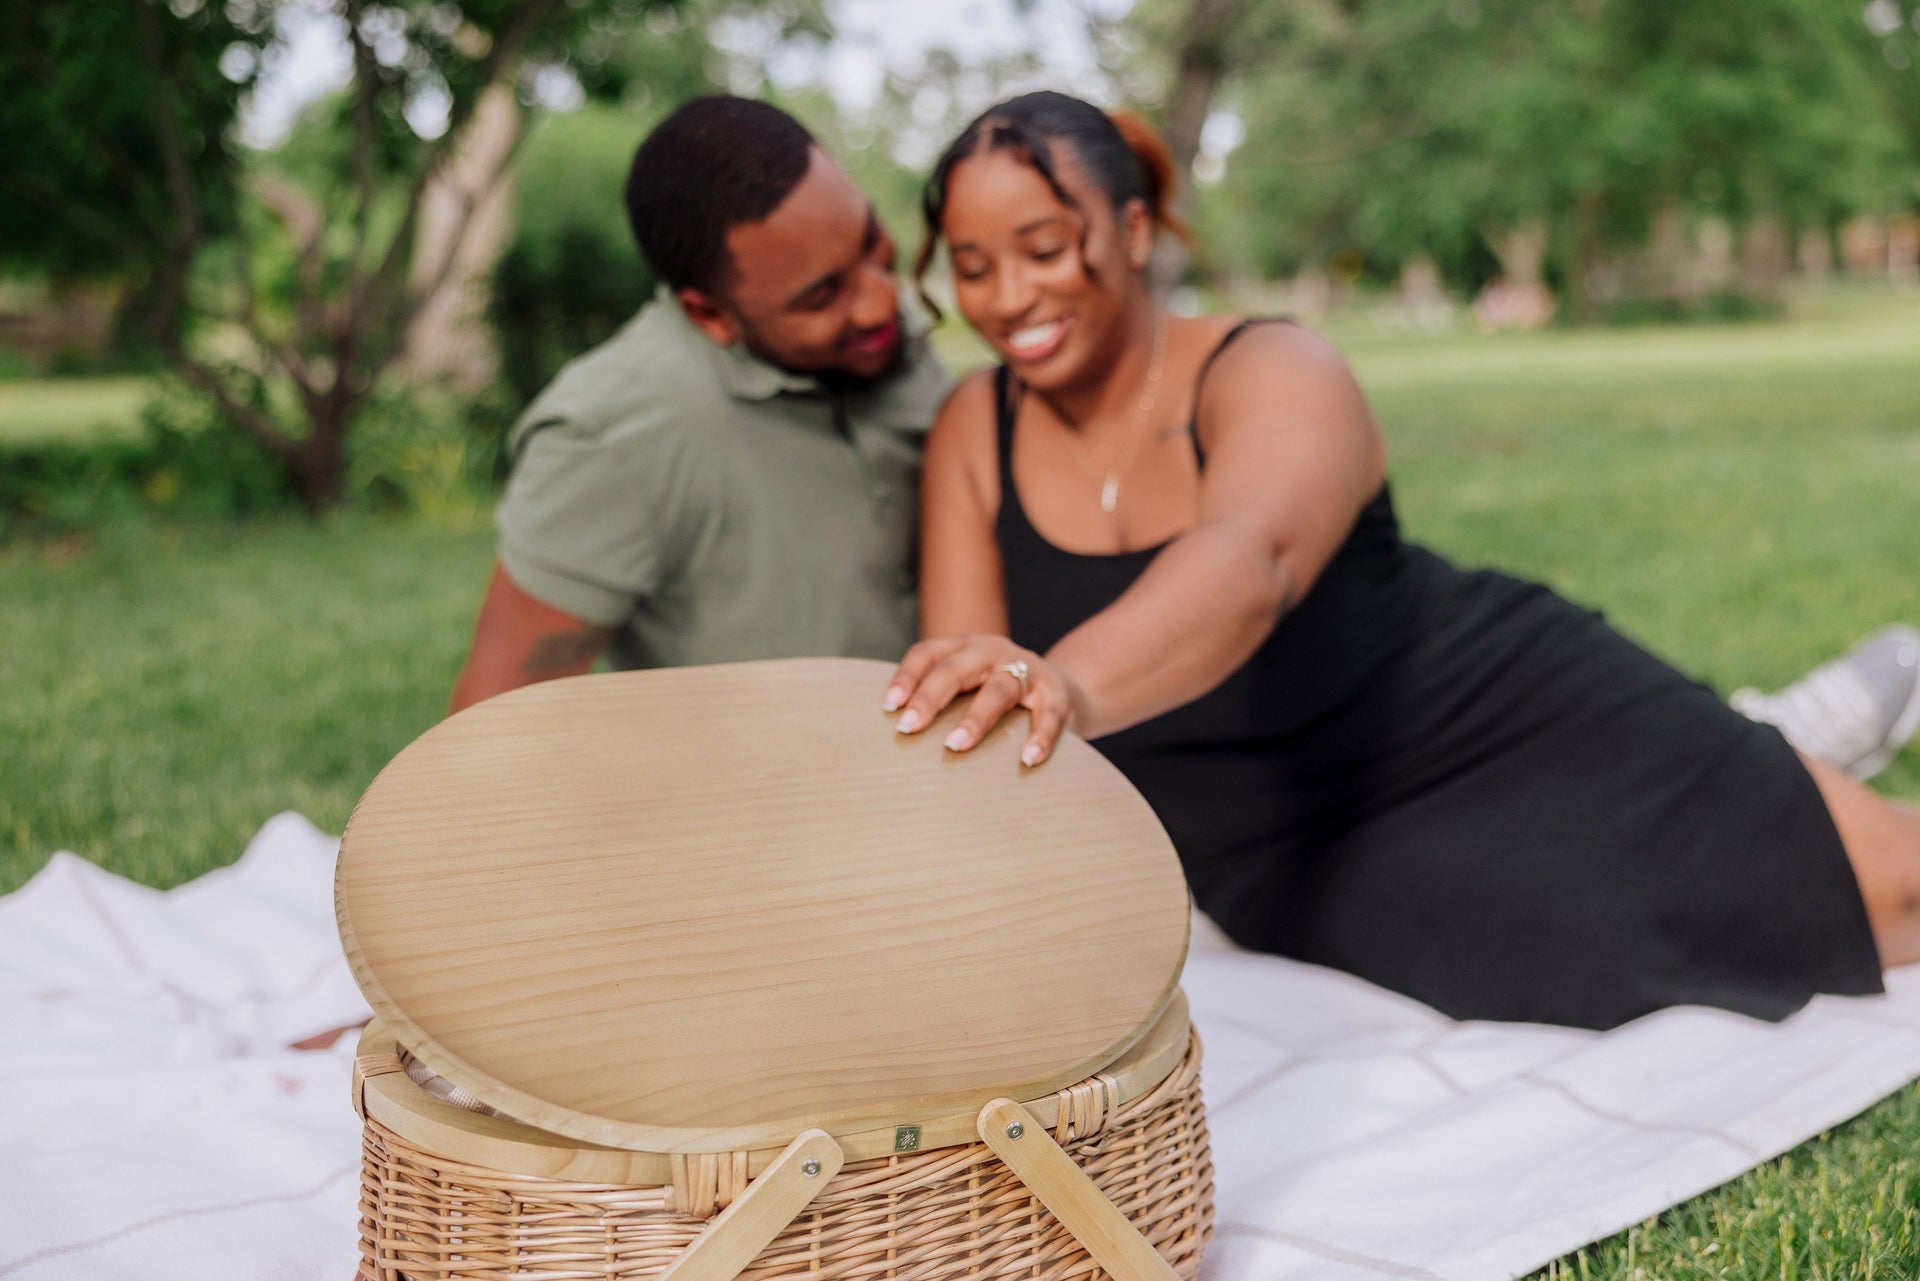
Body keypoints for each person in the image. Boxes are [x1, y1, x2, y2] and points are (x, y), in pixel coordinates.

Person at [883, 90, 1920, 1031]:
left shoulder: (1274, 366)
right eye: (972, 268)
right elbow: (977, 693)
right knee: (1620, 969)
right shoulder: (977, 427)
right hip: (1285, 849)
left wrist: (1064, 682)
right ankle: (1781, 739)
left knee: (1894, 894)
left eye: (1044, 249)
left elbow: (1250, 560)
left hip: (1482, 708)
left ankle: (1775, 752)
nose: (1009, 297)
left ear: (1134, 228)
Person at [449, 96, 947, 713]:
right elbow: (497, 716)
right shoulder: (612, 434)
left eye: (872, 244)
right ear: (709, 314)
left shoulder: (885, 336)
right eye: (823, 297)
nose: (881, 302)